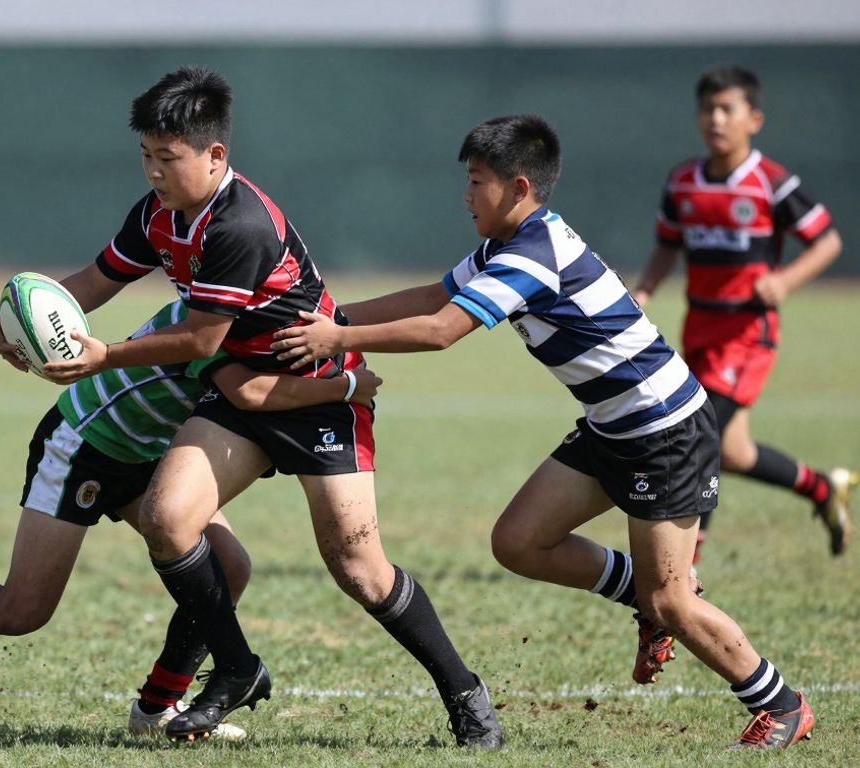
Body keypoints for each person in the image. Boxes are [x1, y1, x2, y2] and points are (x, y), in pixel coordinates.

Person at [0, 67, 503, 748]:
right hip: (238, 390)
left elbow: (199, 337)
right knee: (170, 520)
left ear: (214, 156)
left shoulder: (242, 226)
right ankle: (234, 670)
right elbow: (91, 283)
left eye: (167, 158)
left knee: (360, 569)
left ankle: (466, 696)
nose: (153, 172)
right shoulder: (157, 215)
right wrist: (20, 323)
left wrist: (103, 356)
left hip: (316, 390)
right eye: (145, 155)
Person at [271, 114, 814, 750]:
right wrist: (333, 313)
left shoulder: (533, 254)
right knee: (520, 541)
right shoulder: (506, 245)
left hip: (664, 431)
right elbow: (432, 297)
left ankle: (779, 703)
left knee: (673, 603)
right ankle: (648, 590)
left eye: (477, 182)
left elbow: (443, 330)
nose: (466, 194)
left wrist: (338, 338)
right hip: (614, 426)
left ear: (519, 187)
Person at [0, 300, 379, 740]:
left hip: (150, 454)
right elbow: (249, 393)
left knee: (228, 566)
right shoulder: (210, 322)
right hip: (84, 445)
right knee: (21, 610)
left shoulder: (257, 315)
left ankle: (156, 708)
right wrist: (348, 388)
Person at [631, 64, 853, 561]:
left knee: (700, 428)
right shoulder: (683, 181)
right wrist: (644, 290)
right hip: (701, 329)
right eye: (708, 108)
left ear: (754, 119)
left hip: (748, 332)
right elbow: (666, 246)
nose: (716, 118)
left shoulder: (772, 183)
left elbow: (828, 240)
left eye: (727, 109)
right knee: (732, 452)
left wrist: (786, 280)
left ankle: (689, 558)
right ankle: (822, 489)